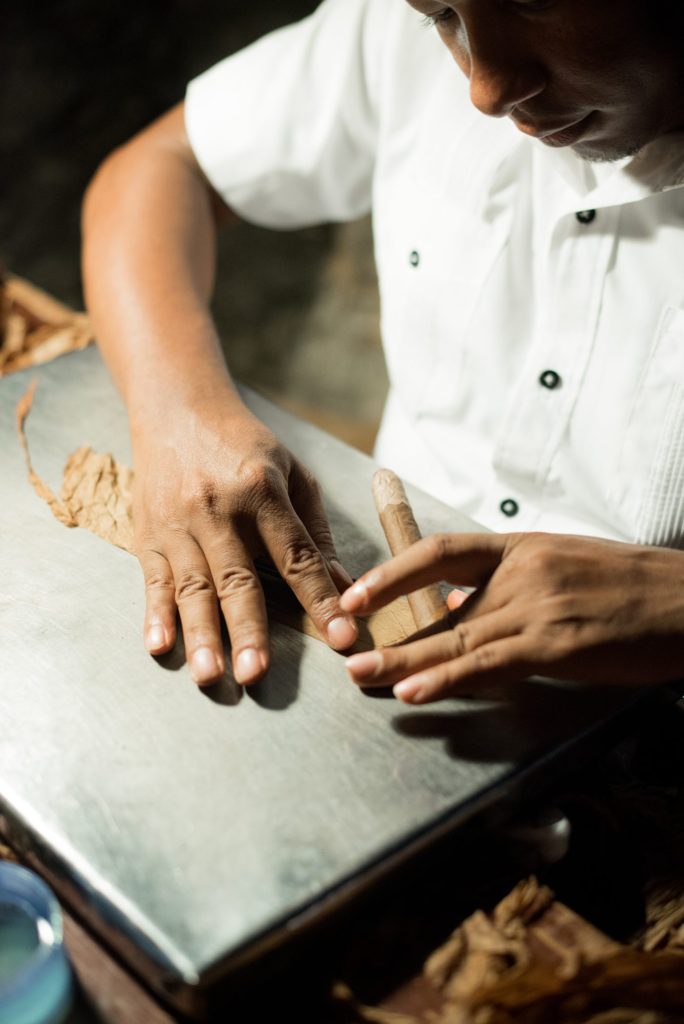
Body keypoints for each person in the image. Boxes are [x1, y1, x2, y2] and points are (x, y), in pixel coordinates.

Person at [82, 0, 684, 700]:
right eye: (441, 17)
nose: (485, 89)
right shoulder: (386, 29)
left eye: (534, 4)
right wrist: (178, 412)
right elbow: (164, 165)